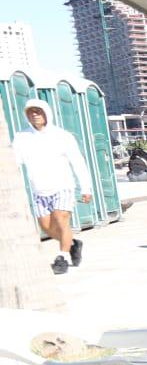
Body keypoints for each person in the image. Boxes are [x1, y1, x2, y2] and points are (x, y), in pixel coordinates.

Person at [13, 99, 91, 275]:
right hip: (39, 190)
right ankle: (73, 244)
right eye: (31, 112)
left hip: (63, 186)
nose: (35, 115)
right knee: (47, 227)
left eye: (38, 111)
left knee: (61, 219)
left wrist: (86, 188)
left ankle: (61, 258)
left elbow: (78, 162)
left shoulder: (62, 136)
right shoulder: (21, 137)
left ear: (47, 113)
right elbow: (16, 162)